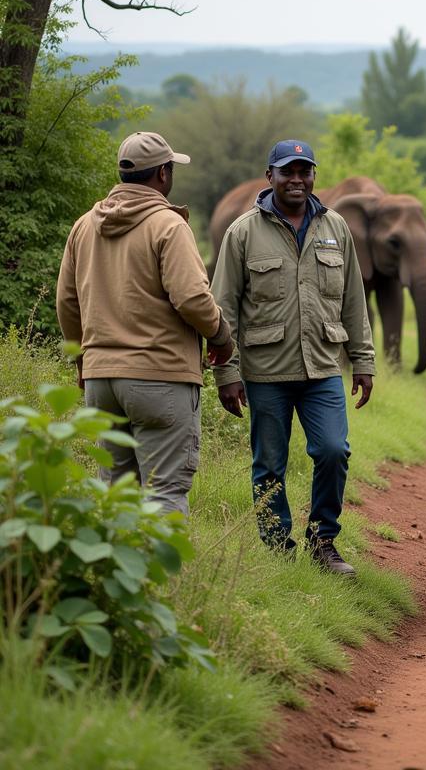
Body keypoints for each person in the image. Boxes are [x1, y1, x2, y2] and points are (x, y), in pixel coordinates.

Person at [211, 139, 375, 575]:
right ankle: (276, 548)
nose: (297, 180)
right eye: (288, 172)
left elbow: (354, 301)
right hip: (265, 372)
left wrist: (363, 360)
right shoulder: (243, 232)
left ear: (313, 176)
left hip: (322, 367)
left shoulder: (336, 228)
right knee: (269, 465)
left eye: (305, 171)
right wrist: (226, 372)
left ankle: (323, 542)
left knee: (333, 450)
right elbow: (222, 307)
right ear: (271, 177)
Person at [56, 131, 233, 515]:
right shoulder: (168, 225)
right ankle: (165, 578)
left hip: (100, 382)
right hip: (161, 377)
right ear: (163, 174)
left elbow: (67, 303)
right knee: (164, 493)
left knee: (116, 494)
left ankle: (117, 573)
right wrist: (221, 335)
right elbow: (191, 298)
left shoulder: (84, 225)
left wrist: (84, 362)